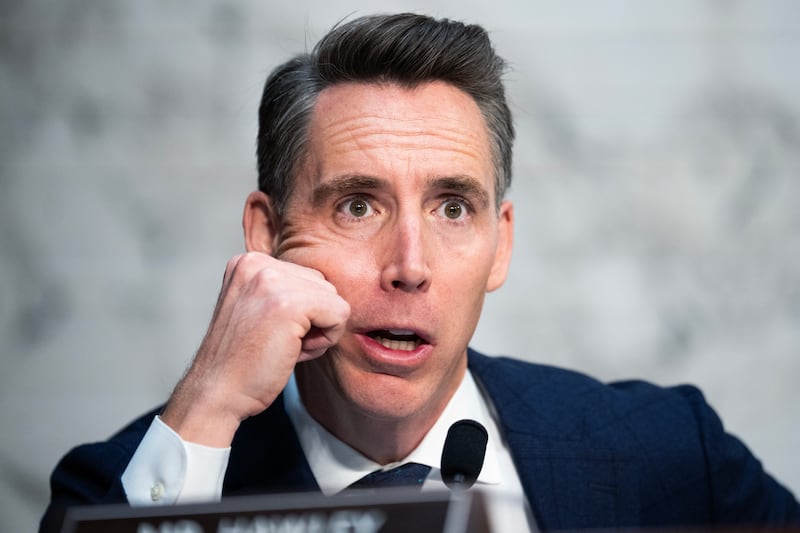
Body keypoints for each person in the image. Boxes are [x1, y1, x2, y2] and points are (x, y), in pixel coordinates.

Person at [41, 12, 799, 533]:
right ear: (267, 237)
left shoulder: (666, 451)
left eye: (453, 209)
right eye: (359, 206)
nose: (409, 267)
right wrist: (206, 404)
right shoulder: (117, 483)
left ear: (500, 245)